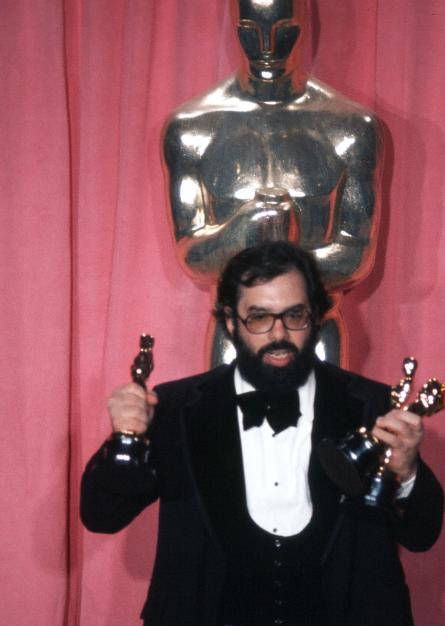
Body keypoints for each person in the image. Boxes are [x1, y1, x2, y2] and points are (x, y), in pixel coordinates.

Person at [81, 242, 443, 626]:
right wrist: (127, 439)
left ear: (316, 317)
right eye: (259, 318)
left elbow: (424, 534)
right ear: (230, 321)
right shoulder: (175, 408)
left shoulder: (370, 404)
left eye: (295, 315)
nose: (279, 334)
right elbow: (101, 515)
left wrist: (407, 474)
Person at [163, 0, 384, 366]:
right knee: (224, 423)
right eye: (250, 32)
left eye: (284, 31)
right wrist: (242, 230)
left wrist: (282, 247)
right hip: (236, 332)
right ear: (234, 28)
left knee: (326, 422)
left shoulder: (349, 127)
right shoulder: (192, 128)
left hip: (315, 328)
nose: (266, 47)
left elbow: (357, 255)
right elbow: (191, 256)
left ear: (304, 25)